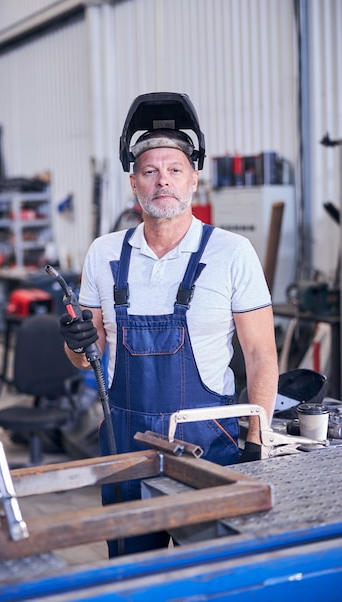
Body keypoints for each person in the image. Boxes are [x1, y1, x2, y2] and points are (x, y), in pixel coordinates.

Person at [60, 92, 278, 557]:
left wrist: (259, 438)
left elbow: (261, 354)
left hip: (209, 446)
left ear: (194, 178)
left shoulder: (232, 253)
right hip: (124, 445)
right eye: (150, 171)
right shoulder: (104, 253)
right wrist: (75, 342)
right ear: (134, 183)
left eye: (175, 169)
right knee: (133, 569)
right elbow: (85, 358)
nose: (164, 181)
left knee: (214, 569)